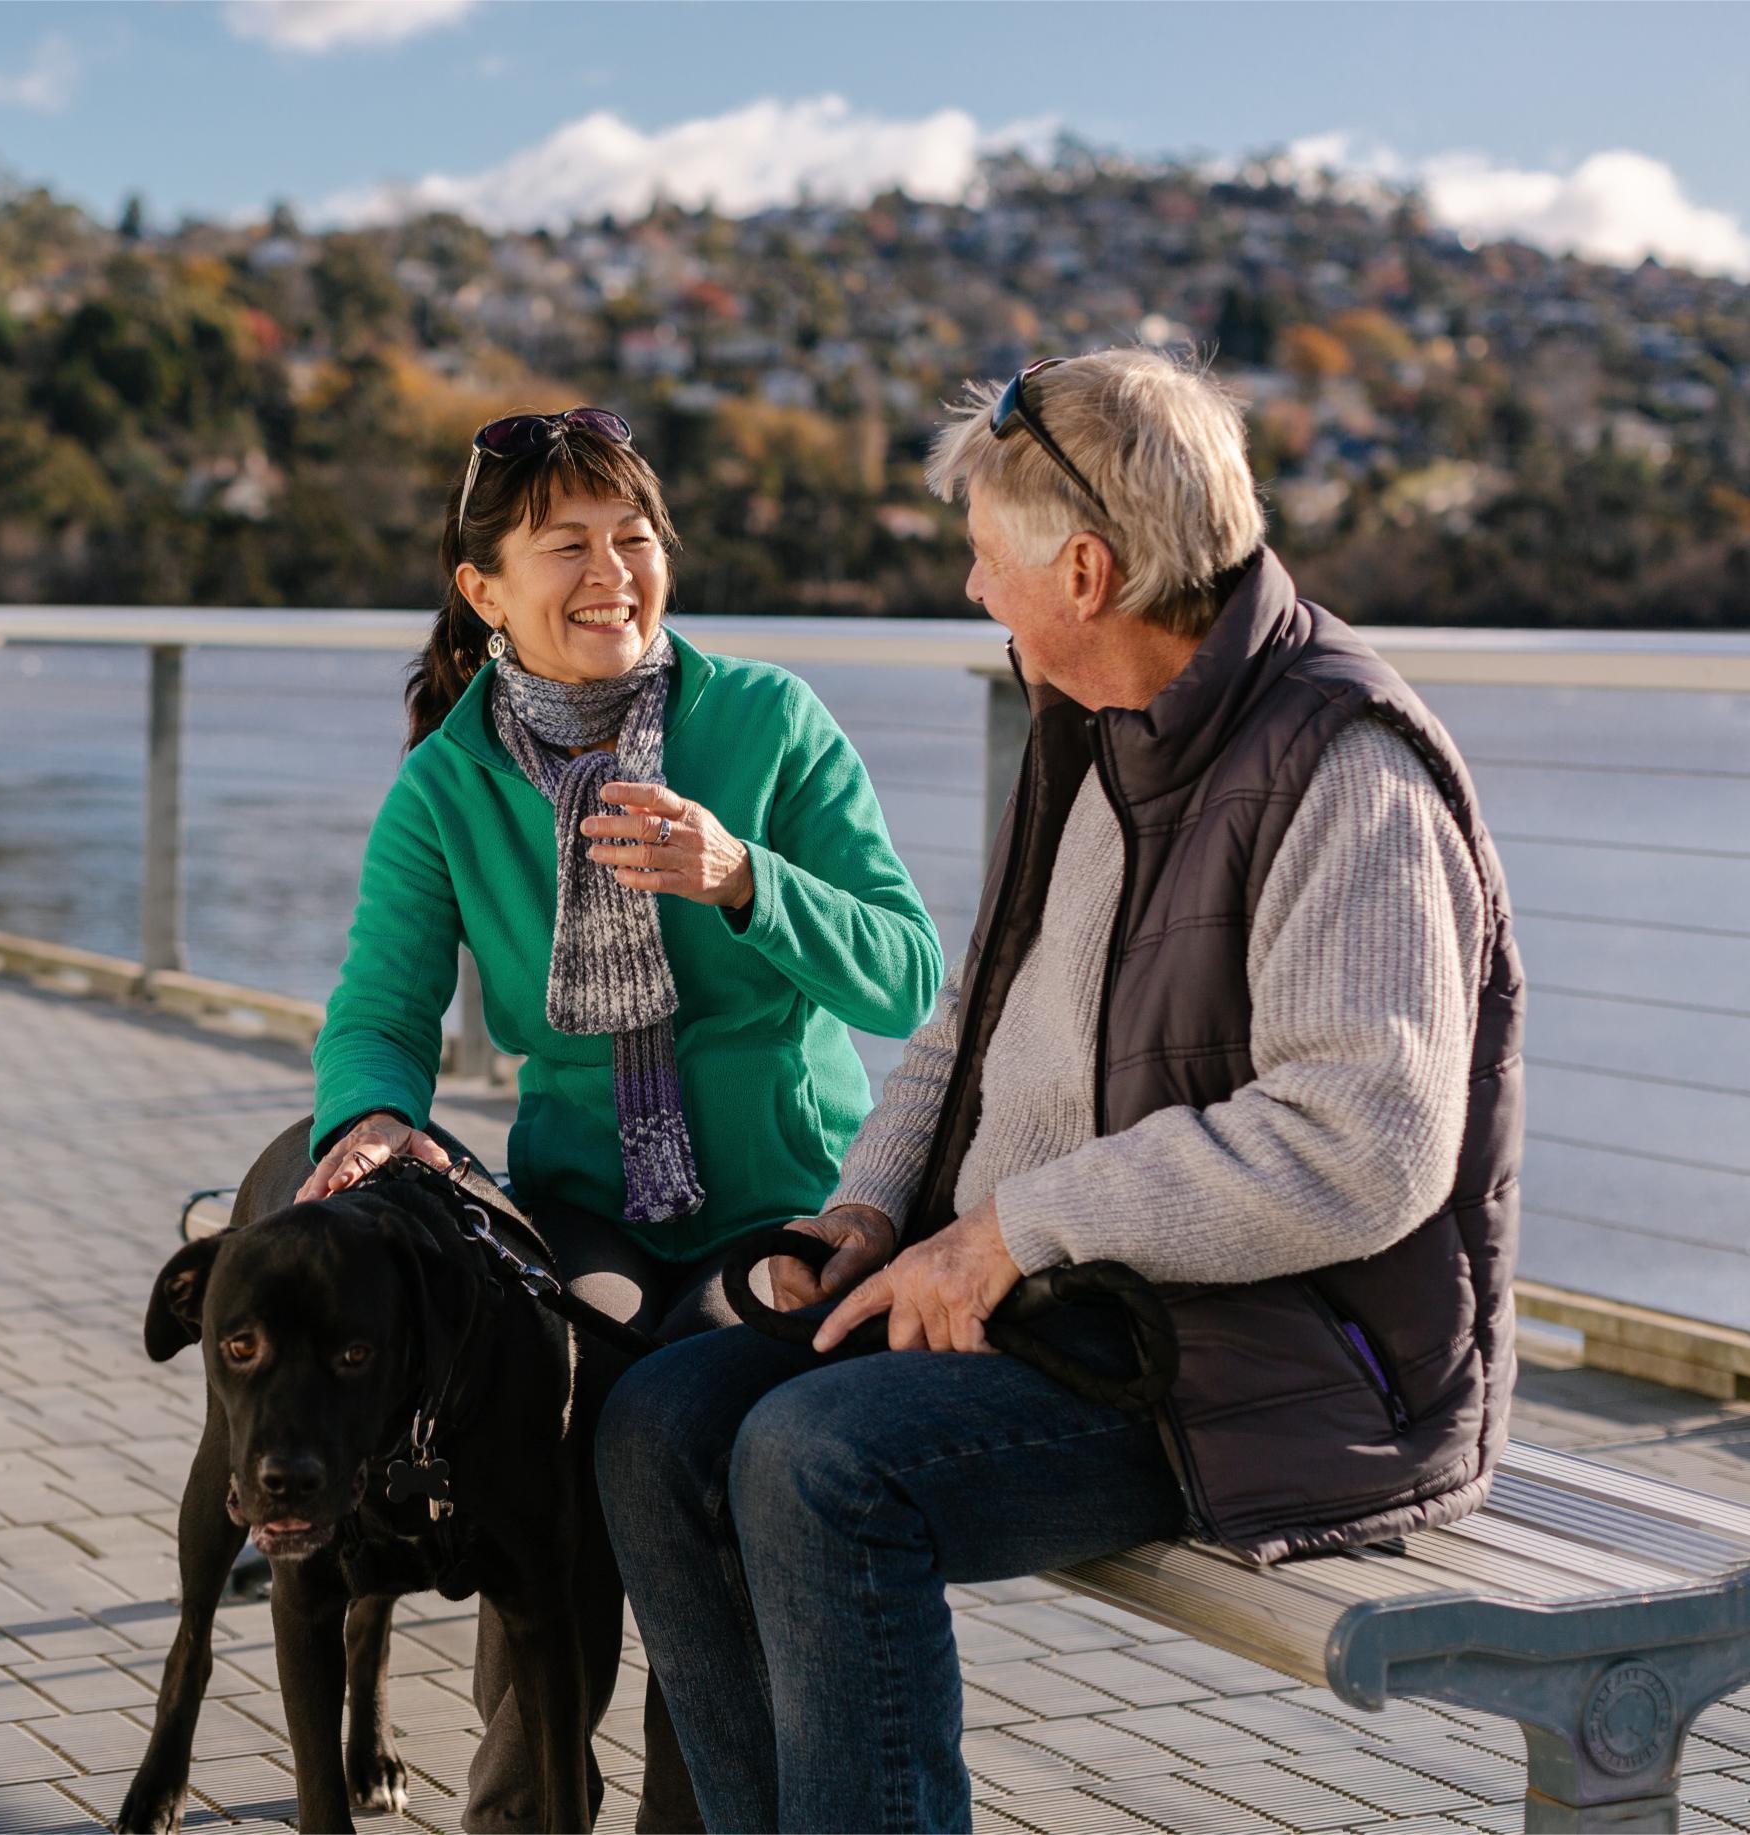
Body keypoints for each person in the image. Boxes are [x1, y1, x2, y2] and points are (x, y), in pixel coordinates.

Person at [597, 347, 1525, 1833]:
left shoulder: (1344, 766)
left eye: (985, 561)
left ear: (1084, 571)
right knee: (659, 1422)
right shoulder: (1091, 730)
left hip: (1278, 1370)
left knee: (820, 1465)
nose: (974, 591)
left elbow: (1370, 1143)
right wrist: (872, 1210)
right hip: (1085, 1315)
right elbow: (977, 1011)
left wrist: (1018, 1230)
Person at [295, 406, 943, 1830]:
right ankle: (524, 1807)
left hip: (788, 1199)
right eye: (565, 546)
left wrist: (744, 878)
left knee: (693, 1436)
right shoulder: (447, 787)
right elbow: (381, 1011)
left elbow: (911, 970)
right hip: (585, 1200)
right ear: (485, 591)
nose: (612, 572)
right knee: (548, 1431)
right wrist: (375, 1120)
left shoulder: (765, 721)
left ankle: (691, 1813)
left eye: (634, 537)